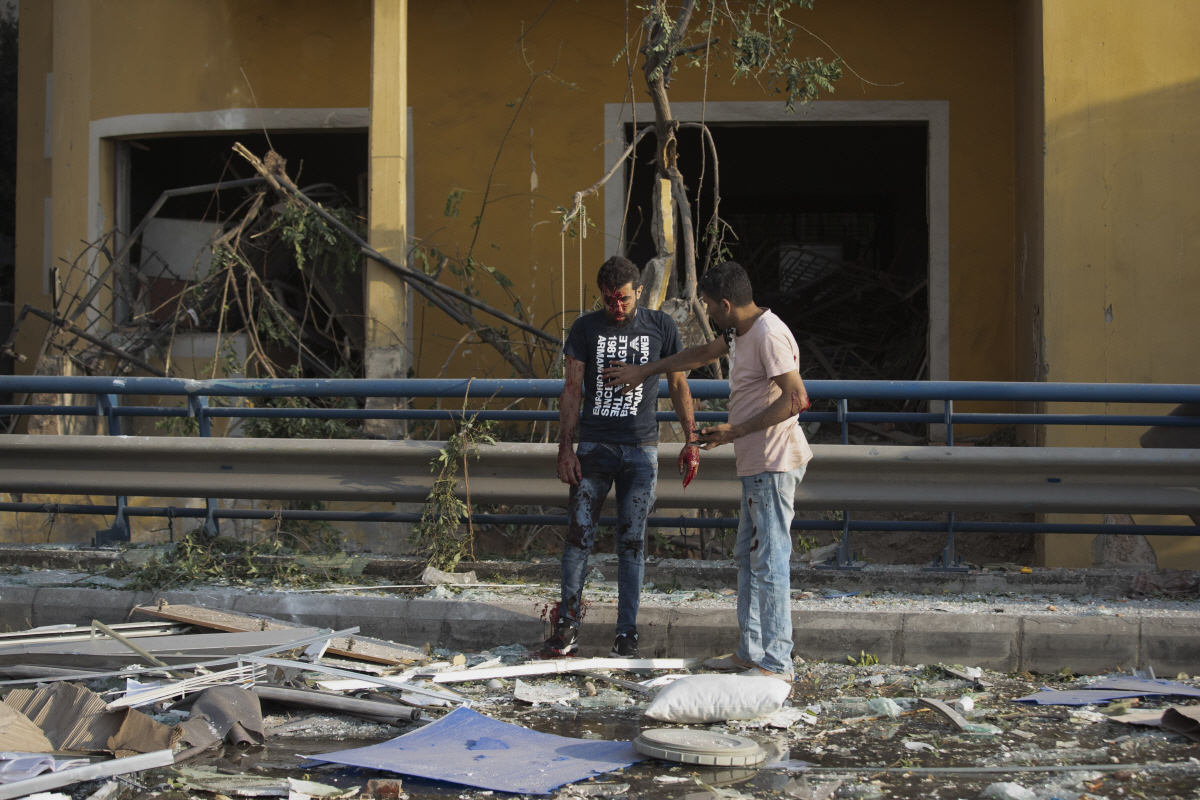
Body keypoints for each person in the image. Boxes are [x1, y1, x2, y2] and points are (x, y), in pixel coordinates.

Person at [602, 260, 811, 681]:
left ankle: (777, 663)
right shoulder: (739, 332)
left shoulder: (769, 334)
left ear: (726, 304)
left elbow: (797, 398)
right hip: (756, 465)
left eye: (711, 306)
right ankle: (750, 653)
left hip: (773, 462)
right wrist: (646, 370)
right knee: (749, 559)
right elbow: (698, 354)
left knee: (770, 562)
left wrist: (736, 431)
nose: (709, 313)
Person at [544, 255, 701, 658]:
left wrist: (692, 438)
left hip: (641, 450)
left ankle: (626, 633)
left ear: (639, 292)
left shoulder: (661, 326)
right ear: (601, 295)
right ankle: (567, 626)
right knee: (578, 538)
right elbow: (572, 389)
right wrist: (565, 447)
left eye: (625, 299)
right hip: (594, 447)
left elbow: (679, 385)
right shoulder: (585, 328)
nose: (617, 307)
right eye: (610, 299)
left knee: (632, 543)